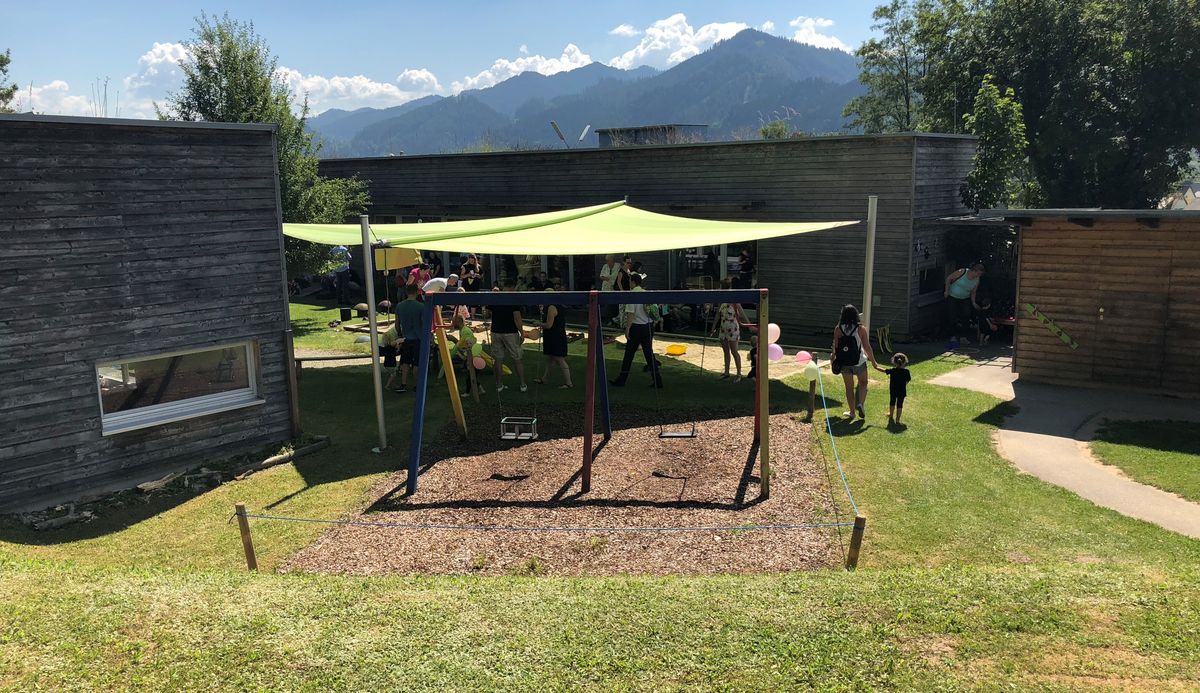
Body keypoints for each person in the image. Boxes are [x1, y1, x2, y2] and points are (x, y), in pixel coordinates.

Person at [610, 272, 663, 388]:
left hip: (636, 327)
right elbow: (654, 311)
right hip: (648, 326)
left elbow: (631, 314)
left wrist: (627, 328)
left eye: (630, 281)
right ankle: (657, 380)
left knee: (629, 354)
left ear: (633, 282)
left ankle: (622, 379)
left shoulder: (632, 294)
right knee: (648, 354)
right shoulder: (647, 293)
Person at [831, 303, 878, 419]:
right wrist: (873, 361)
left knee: (849, 387)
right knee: (863, 383)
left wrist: (833, 358)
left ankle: (852, 412)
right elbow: (867, 347)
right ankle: (860, 403)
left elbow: (835, 347)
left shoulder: (838, 329)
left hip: (844, 362)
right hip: (859, 361)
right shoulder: (861, 329)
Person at [488, 283, 527, 393]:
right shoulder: (513, 300)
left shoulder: (495, 299)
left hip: (496, 331)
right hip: (510, 332)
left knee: (498, 359)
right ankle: (522, 384)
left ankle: (499, 385)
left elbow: (487, 313)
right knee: (517, 358)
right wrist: (522, 333)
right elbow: (517, 318)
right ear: (511, 288)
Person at [387, 284, 426, 393]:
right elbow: (424, 323)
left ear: (406, 292)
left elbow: (397, 324)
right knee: (417, 363)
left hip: (406, 338)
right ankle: (417, 385)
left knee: (405, 362)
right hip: (418, 338)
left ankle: (403, 384)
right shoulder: (421, 306)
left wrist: (400, 335)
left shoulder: (400, 306)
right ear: (417, 292)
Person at [533, 292, 573, 389]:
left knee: (560, 359)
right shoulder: (558, 306)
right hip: (553, 336)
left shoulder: (552, 307)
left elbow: (549, 325)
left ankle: (569, 383)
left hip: (555, 337)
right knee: (551, 359)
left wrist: (538, 323)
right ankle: (545, 378)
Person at [944, 262, 985, 344]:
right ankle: (952, 336)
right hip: (952, 297)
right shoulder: (962, 272)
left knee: (966, 315)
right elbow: (949, 278)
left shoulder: (977, 279)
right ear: (974, 271)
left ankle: (963, 337)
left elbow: (973, 292)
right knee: (952, 316)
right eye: (978, 274)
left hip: (964, 298)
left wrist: (973, 302)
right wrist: (946, 291)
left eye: (980, 274)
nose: (979, 275)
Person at [713, 287, 748, 382]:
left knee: (734, 351)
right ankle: (726, 372)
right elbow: (718, 315)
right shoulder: (722, 302)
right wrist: (713, 327)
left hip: (733, 329)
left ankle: (739, 374)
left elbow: (742, 314)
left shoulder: (735, 302)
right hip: (723, 328)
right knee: (726, 351)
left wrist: (749, 325)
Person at [451, 313, 484, 400]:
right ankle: (481, 390)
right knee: (471, 376)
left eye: (453, 322)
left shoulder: (465, 331)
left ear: (459, 322)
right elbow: (462, 344)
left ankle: (468, 393)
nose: (452, 323)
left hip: (472, 358)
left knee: (471, 376)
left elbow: (468, 346)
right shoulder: (462, 330)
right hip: (470, 357)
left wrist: (461, 353)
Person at [876, 353, 911, 424]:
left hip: (893, 390)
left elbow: (883, 370)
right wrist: (904, 384)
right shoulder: (906, 372)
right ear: (905, 362)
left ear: (894, 362)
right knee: (900, 404)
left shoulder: (892, 370)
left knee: (892, 402)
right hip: (902, 391)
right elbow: (908, 380)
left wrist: (876, 367)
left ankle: (891, 414)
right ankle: (897, 419)